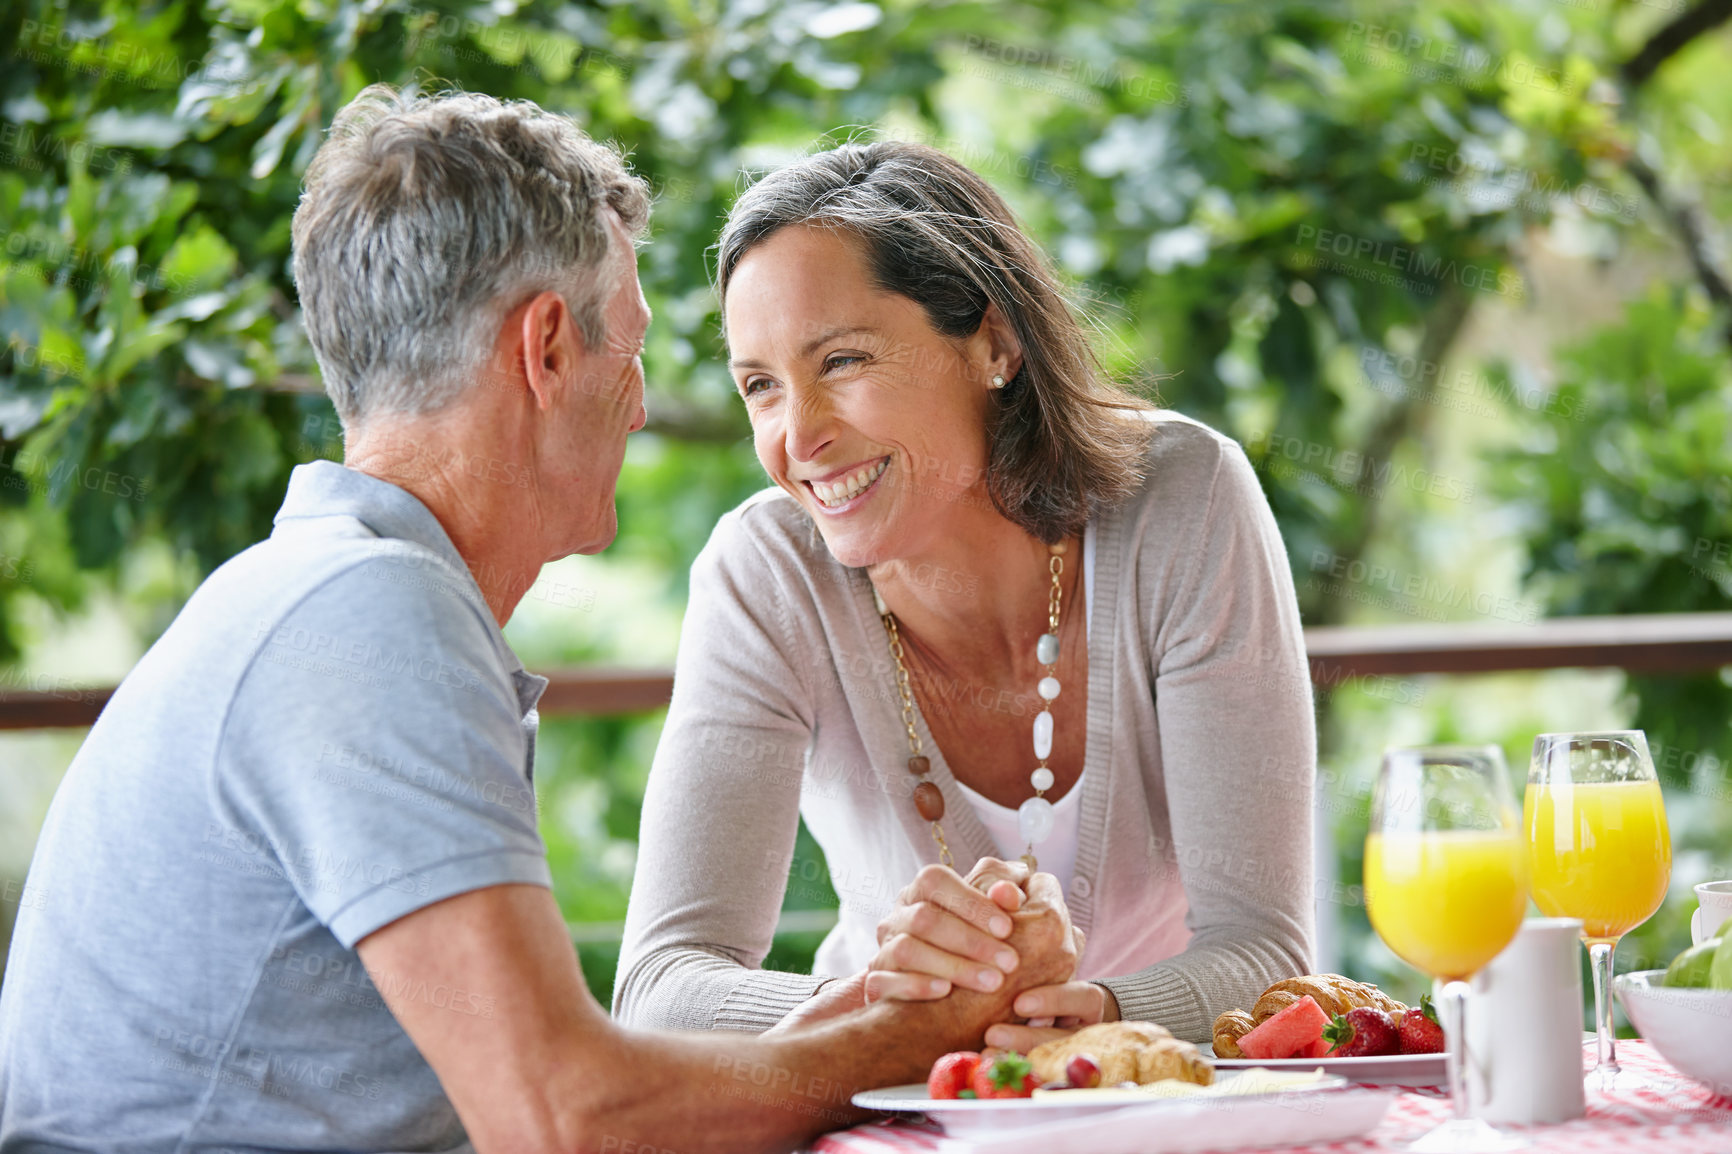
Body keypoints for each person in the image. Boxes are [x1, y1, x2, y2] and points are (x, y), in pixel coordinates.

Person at [0, 90, 1082, 1154]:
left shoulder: (333, 589)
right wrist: (910, 1028)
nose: (644, 401)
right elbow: (564, 1116)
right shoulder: (370, 614)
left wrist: (878, 1017)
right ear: (550, 347)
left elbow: (571, 1089)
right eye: (634, 344)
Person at [615, 141, 1317, 1051]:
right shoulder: (766, 575)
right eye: (760, 387)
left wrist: (1092, 1017)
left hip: (1156, 1098)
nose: (799, 437)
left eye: (841, 363)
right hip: (892, 1104)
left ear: (995, 342)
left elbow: (1262, 948)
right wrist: (900, 1016)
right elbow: (664, 984)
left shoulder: (1181, 499)